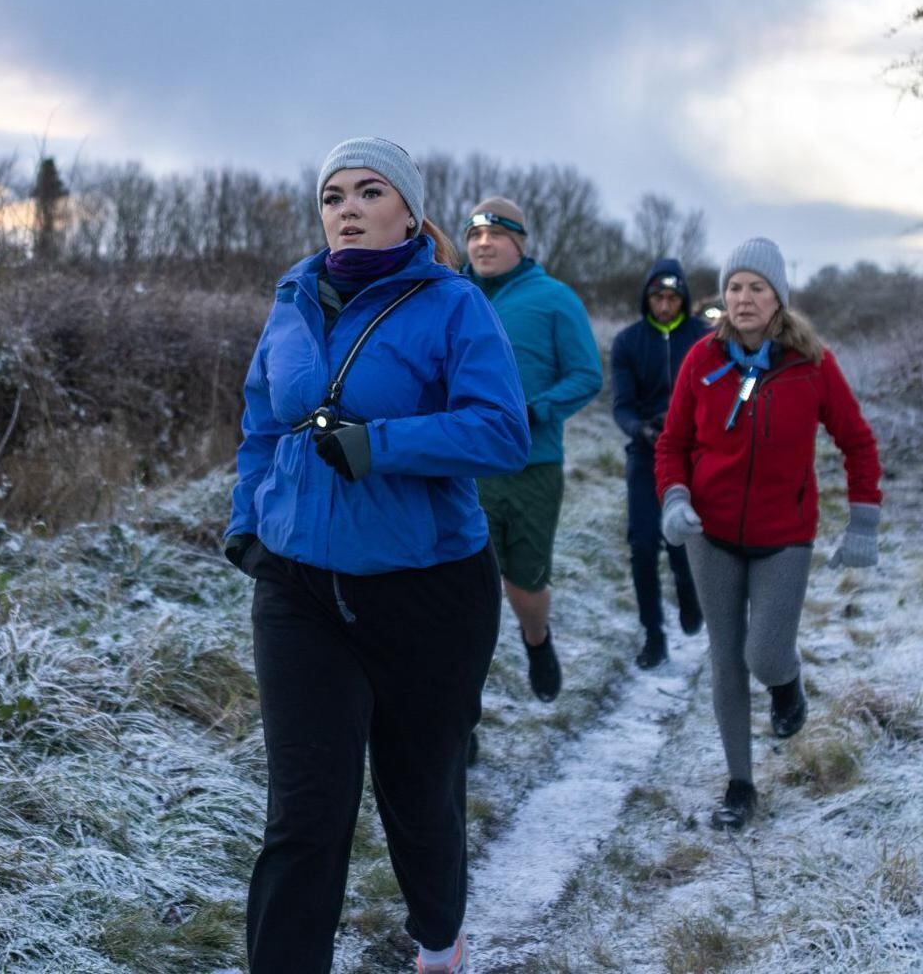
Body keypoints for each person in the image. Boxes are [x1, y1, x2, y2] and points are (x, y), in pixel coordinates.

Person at [225, 137, 530, 974]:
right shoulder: (292, 297)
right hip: (298, 588)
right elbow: (261, 422)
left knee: (419, 797)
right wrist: (247, 522)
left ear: (409, 212)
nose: (347, 209)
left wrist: (381, 445)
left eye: (367, 192)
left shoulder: (453, 306)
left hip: (425, 591)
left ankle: (438, 939)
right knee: (304, 814)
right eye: (332, 196)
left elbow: (504, 431)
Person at [654, 238, 883, 830]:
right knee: (726, 659)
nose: (744, 298)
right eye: (734, 287)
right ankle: (740, 784)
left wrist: (864, 518)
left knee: (764, 654)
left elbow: (856, 440)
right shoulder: (702, 361)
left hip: (785, 534)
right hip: (712, 531)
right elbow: (673, 443)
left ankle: (787, 685)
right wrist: (675, 498)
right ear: (723, 298)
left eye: (757, 287)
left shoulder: (813, 365)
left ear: (778, 297)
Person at [462, 197, 603, 703]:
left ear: (519, 243)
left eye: (495, 235)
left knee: (523, 584)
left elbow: (587, 375)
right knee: (461, 589)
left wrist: (537, 409)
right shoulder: (451, 293)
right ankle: (460, 705)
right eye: (475, 235)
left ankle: (536, 639)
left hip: (531, 467)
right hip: (461, 468)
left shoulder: (554, 298)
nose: (483, 244)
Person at [611, 257, 711, 669]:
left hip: (695, 451)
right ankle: (653, 634)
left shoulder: (704, 339)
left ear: (683, 298)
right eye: (658, 297)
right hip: (646, 450)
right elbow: (622, 406)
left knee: (683, 538)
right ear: (646, 298)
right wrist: (641, 430)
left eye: (673, 297)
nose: (665, 305)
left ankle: (690, 592)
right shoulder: (627, 342)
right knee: (642, 544)